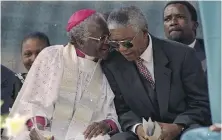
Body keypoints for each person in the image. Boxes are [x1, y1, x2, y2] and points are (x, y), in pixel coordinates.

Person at [5, 9, 120, 140]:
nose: (107, 42)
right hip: (45, 130)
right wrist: (39, 128)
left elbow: (112, 113)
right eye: (101, 38)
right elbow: (33, 102)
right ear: (79, 41)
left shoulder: (109, 66)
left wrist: (106, 124)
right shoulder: (53, 56)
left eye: (108, 37)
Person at [101, 6, 211, 140]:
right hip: (142, 133)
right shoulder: (112, 64)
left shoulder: (182, 55)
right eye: (115, 44)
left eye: (127, 43)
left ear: (144, 33)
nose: (122, 49)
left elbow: (200, 102)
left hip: (181, 129)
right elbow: (122, 109)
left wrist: (178, 126)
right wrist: (137, 128)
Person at [163, 1, 207, 72]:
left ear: (194, 25)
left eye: (180, 17)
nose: (173, 22)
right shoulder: (156, 56)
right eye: (167, 19)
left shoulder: (212, 53)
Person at [13, 32, 51, 101]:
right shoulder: (12, 83)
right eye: (28, 54)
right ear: (21, 56)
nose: (34, 59)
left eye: (40, 53)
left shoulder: (59, 84)